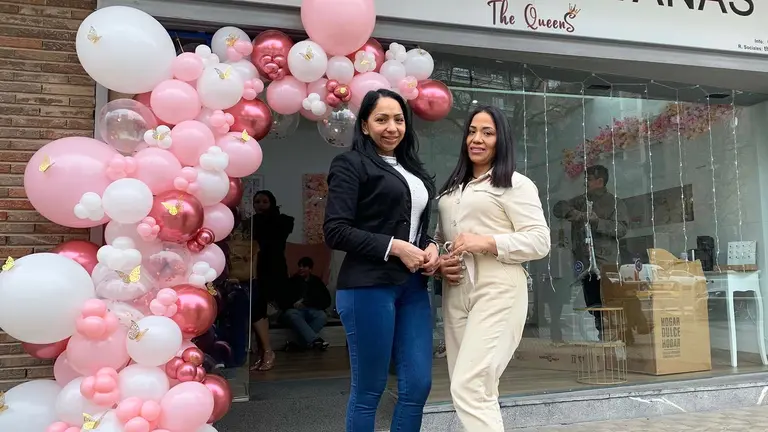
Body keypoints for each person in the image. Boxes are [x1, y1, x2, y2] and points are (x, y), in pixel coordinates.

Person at [324, 89, 439, 432]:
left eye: (399, 119)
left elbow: (416, 226)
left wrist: (430, 246)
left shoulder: (413, 170)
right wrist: (396, 247)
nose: (392, 127)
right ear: (364, 125)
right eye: (382, 119)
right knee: (369, 390)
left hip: (413, 287)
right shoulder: (350, 164)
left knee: (417, 385)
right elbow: (335, 231)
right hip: (368, 286)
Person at [436, 105, 550, 432]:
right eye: (472, 131)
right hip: (456, 290)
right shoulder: (452, 190)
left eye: (487, 132)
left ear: (502, 140)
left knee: (469, 385)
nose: (477, 139)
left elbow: (540, 241)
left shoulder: (515, 184)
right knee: (476, 387)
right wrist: (441, 261)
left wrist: (486, 242)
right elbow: (442, 238)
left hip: (498, 287)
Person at [553, 165, 629, 337]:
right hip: (584, 263)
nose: (585, 182)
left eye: (589, 179)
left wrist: (597, 222)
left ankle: (615, 334)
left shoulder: (615, 203)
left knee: (609, 301)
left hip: (606, 263)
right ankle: (601, 332)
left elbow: (622, 229)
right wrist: (575, 214)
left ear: (600, 181)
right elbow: (558, 208)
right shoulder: (580, 201)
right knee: (592, 303)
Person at [245, 190, 294, 371]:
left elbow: (274, 241)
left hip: (273, 270)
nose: (260, 205)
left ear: (272, 203)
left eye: (264, 201)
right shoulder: (251, 222)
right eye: (257, 202)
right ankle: (264, 352)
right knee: (257, 310)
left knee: (260, 310)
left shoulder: (283, 221)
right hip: (255, 269)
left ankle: (267, 352)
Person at [276, 257, 332, 351]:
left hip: (310, 310)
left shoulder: (317, 282)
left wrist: (307, 302)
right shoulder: (292, 281)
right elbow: (282, 301)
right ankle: (315, 340)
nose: (301, 268)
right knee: (292, 314)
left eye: (304, 266)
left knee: (322, 316)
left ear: (310, 269)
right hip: (294, 311)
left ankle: (298, 344)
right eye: (300, 266)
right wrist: (294, 304)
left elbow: (326, 301)